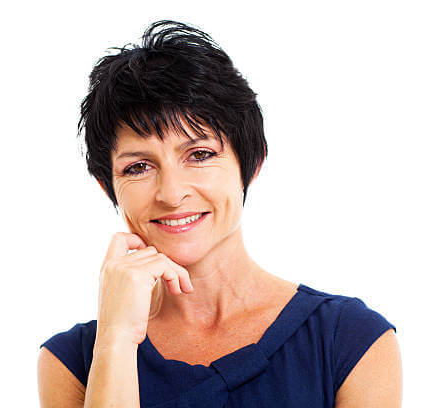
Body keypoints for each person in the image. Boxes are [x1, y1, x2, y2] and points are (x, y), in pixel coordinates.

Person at [37, 20, 402, 407]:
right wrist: (115, 339)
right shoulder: (73, 361)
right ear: (106, 185)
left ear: (252, 162)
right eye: (138, 167)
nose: (172, 194)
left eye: (199, 155)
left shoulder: (351, 341)